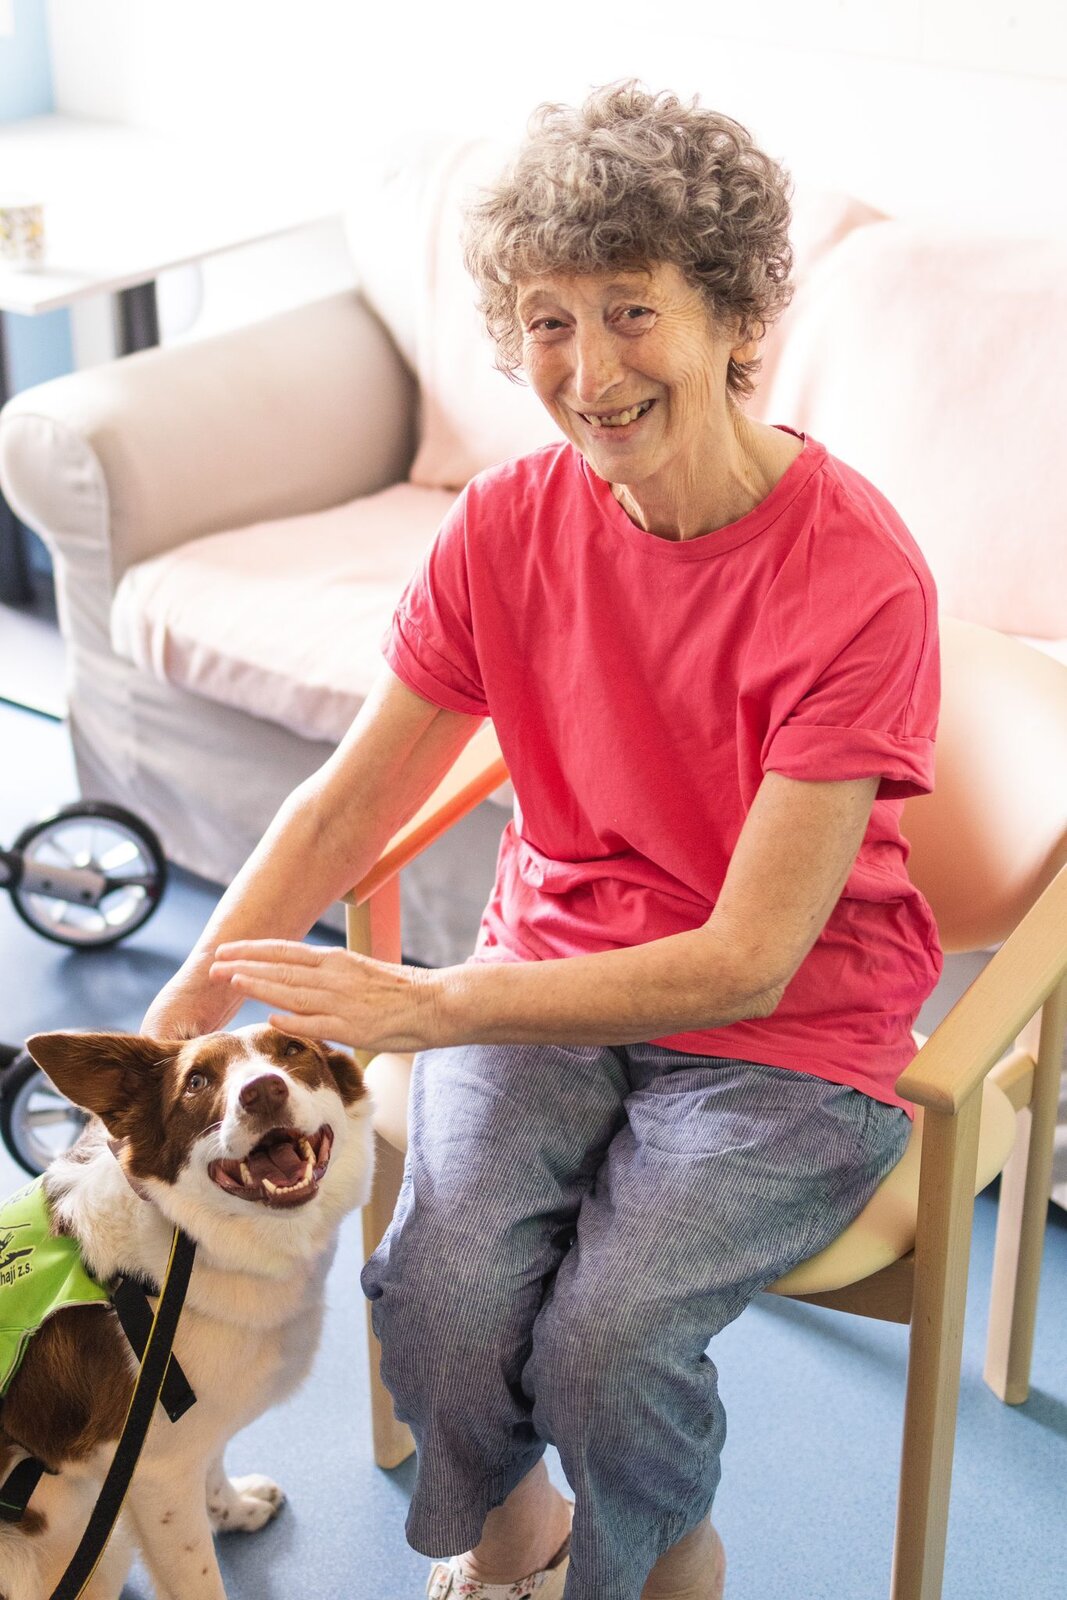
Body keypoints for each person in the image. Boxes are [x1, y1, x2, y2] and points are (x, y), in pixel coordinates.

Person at [144, 83, 942, 1600]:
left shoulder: (858, 579)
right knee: (440, 1295)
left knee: (605, 1344)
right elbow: (346, 803)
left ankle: (659, 1568)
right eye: (549, 322)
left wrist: (437, 1005)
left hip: (787, 1035)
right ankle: (514, 1545)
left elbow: (748, 957)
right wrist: (189, 993)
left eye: (634, 311)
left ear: (734, 315)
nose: (589, 368)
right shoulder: (506, 524)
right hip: (550, 974)